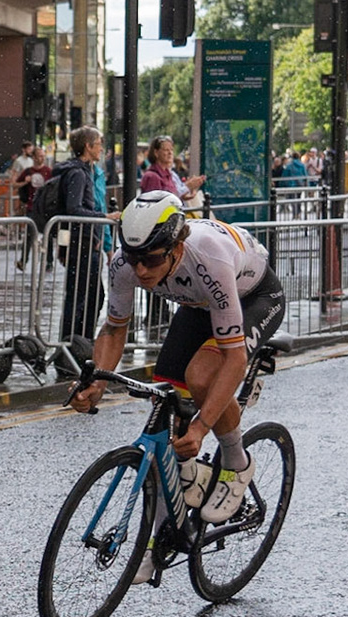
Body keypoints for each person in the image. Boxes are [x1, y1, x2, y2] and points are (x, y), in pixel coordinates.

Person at [70, 192, 286, 571]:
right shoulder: (124, 262)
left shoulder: (209, 256)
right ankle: (163, 531)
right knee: (166, 398)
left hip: (253, 297)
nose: (140, 271)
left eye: (151, 260)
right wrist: (97, 383)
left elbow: (233, 358)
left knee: (201, 376)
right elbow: (114, 328)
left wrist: (203, 426)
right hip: (199, 305)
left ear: (177, 245)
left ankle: (237, 463)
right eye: (135, 259)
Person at [53, 125, 112, 341]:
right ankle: (72, 343)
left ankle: (81, 341)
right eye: (98, 144)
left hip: (88, 242)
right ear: (87, 146)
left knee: (92, 297)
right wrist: (104, 218)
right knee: (80, 297)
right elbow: (74, 209)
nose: (101, 148)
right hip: (82, 244)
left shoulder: (85, 170)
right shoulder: (77, 173)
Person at [141, 135, 205, 207]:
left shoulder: (169, 175)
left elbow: (173, 195)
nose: (170, 153)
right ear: (156, 152)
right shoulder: (152, 176)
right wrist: (187, 187)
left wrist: (186, 193)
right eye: (166, 150)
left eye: (171, 150)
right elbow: (157, 205)